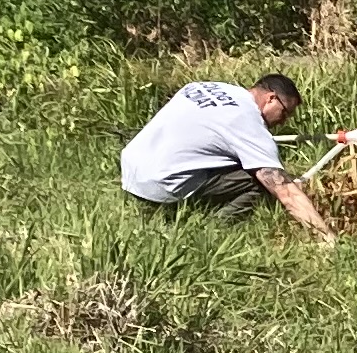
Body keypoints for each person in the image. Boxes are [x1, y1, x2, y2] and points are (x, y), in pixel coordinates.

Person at [119, 72, 333, 241]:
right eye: (285, 112)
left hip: (131, 172)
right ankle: (213, 229)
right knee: (261, 182)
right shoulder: (250, 125)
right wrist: (325, 236)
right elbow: (286, 193)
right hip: (162, 186)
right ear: (271, 99)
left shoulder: (205, 86)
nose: (284, 121)